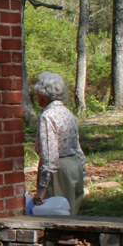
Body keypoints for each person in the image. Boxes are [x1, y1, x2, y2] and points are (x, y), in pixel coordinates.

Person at [32, 71, 86, 214]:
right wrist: (82, 168)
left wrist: (42, 189)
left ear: (43, 94)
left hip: (59, 169)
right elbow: (77, 145)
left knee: (58, 214)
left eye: (37, 93)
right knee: (72, 210)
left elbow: (50, 154)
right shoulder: (67, 113)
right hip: (74, 164)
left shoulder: (47, 116)